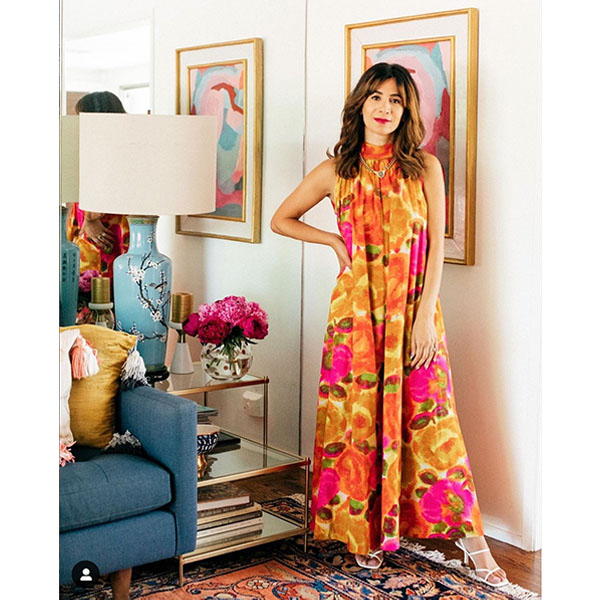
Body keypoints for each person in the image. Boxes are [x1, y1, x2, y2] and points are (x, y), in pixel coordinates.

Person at [271, 62, 508, 587]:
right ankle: (366, 533)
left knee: (433, 424)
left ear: (406, 111)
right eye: (376, 97)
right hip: (354, 316)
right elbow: (281, 219)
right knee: (360, 425)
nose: (384, 108)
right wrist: (333, 241)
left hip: (415, 314)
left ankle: (473, 543)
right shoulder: (336, 171)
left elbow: (437, 249)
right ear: (361, 104)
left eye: (396, 100)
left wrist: (425, 318)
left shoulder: (425, 168)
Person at [67, 91, 130, 281]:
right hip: (93, 218)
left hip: (104, 223)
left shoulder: (109, 146)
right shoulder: (114, 143)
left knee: (96, 281)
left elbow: (107, 183)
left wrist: (91, 218)